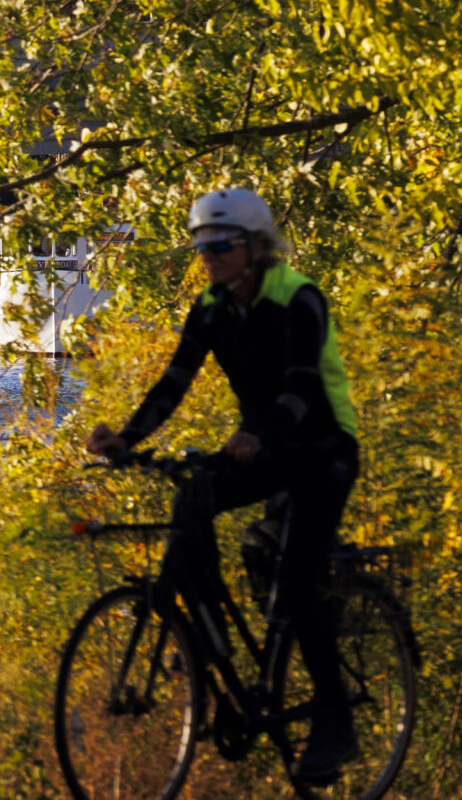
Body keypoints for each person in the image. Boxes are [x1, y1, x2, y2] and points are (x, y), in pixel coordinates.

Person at [86, 188, 361, 785]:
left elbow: (300, 383)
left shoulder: (298, 298)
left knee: (295, 583)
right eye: (200, 244)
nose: (206, 254)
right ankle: (209, 642)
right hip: (264, 448)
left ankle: (336, 724)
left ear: (256, 246)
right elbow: (174, 383)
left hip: (322, 451)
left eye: (219, 244)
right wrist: (127, 440)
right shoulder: (211, 307)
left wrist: (260, 434)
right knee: (194, 497)